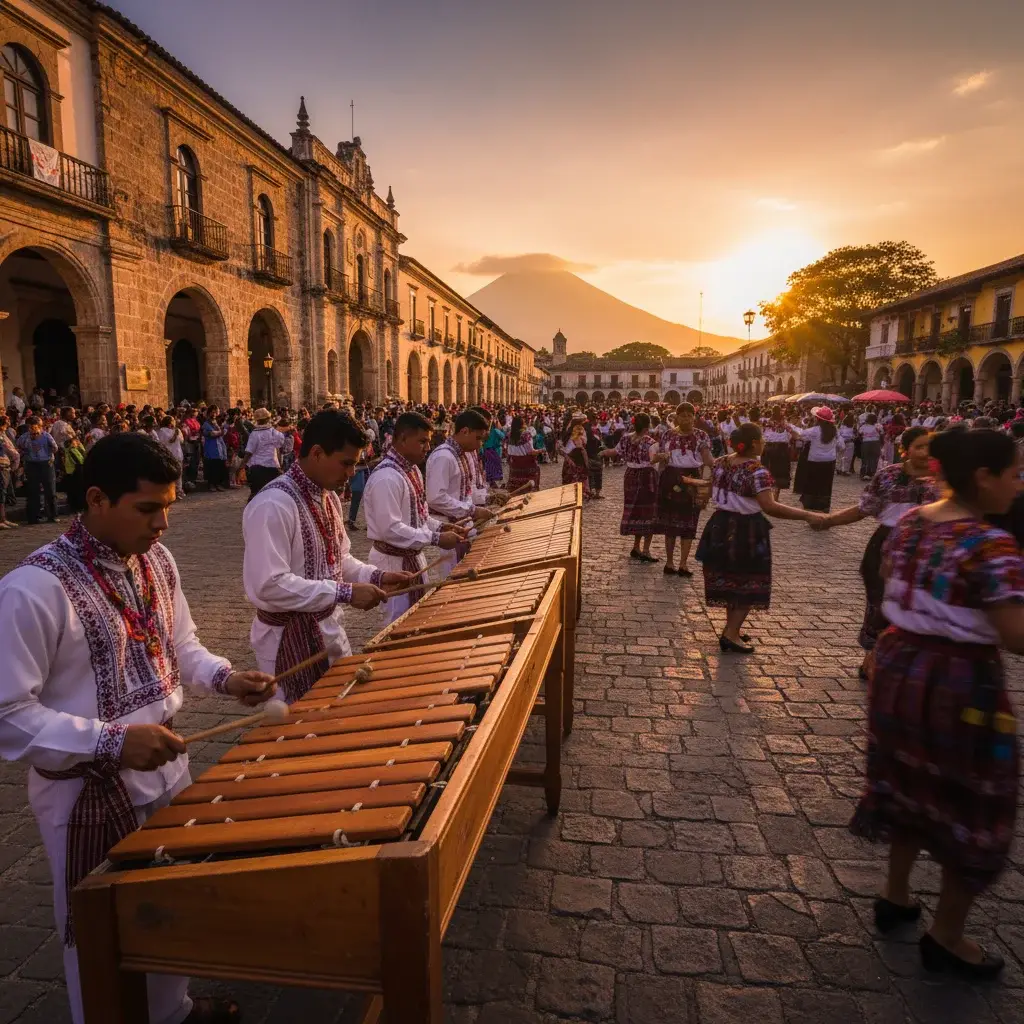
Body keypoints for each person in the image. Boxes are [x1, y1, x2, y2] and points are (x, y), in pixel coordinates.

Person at [0, 433, 274, 1024]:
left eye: (169, 507)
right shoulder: (33, 589)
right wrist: (113, 742)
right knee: (100, 932)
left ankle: (169, 1009)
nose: (164, 525)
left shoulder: (156, 561)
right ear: (97, 499)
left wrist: (225, 679)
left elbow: (181, 647)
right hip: (87, 789)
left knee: (165, 906)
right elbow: (8, 715)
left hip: (167, 765)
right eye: (148, 509)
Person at [850, 428, 1024, 979]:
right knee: (969, 795)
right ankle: (948, 933)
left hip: (899, 662)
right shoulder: (991, 545)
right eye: (1015, 474)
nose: (1019, 486)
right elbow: (1016, 635)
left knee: (906, 775)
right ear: (984, 477)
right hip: (958, 678)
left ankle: (896, 892)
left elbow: (885, 580)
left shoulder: (909, 523)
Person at [242, 410, 408, 703]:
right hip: (288, 642)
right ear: (317, 453)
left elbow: (338, 561)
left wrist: (377, 576)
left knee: (340, 716)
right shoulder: (272, 505)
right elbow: (269, 584)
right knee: (299, 732)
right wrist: (345, 592)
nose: (351, 474)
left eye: (355, 464)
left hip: (331, 631)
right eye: (346, 463)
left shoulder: (327, 497)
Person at [813, 427, 941, 678]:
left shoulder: (944, 480)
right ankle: (872, 658)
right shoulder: (888, 475)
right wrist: (829, 520)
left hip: (927, 549)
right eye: (919, 446)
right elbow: (864, 509)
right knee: (880, 602)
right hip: (887, 544)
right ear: (905, 448)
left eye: (930, 447)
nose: (925, 453)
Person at [695, 423, 822, 653]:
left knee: (731, 579)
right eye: (762, 439)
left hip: (720, 525)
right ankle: (731, 634)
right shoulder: (757, 470)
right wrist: (807, 515)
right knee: (748, 581)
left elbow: (710, 486)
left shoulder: (721, 462)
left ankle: (731, 628)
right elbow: (769, 506)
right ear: (753, 443)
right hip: (746, 529)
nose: (764, 442)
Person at [364, 412, 466, 623]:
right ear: (402, 439)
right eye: (422, 441)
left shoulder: (412, 471)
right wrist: (436, 538)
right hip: (392, 563)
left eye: (428, 441)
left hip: (413, 558)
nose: (427, 447)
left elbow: (420, 516)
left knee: (417, 619)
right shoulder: (386, 478)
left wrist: (441, 528)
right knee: (397, 623)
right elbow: (390, 529)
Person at [425, 409, 494, 578]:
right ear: (464, 431)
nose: (480, 444)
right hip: (449, 528)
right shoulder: (444, 456)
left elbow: (464, 491)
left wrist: (486, 499)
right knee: (453, 579)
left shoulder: (461, 454)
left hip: (463, 526)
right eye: (478, 438)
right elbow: (435, 498)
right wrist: (471, 510)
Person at [656, 403, 714, 576]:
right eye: (683, 415)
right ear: (677, 417)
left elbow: (707, 459)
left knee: (690, 522)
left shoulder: (701, 435)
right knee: (669, 523)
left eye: (690, 415)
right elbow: (661, 459)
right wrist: (659, 477)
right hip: (670, 478)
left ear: (694, 417)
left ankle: (683, 563)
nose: (686, 419)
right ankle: (669, 562)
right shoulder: (667, 435)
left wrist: (708, 477)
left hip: (692, 478)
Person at [609, 412, 661, 562]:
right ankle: (645, 550)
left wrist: (604, 452)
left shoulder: (626, 438)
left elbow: (615, 451)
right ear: (648, 426)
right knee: (649, 511)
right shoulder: (650, 442)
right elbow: (652, 460)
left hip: (630, 475)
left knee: (636, 510)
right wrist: (664, 456)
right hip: (647, 476)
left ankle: (636, 546)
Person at [793, 406, 842, 512]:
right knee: (826, 485)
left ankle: (811, 506)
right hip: (830, 461)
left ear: (818, 419)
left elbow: (801, 434)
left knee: (812, 484)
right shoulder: (835, 431)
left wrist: (790, 427)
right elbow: (842, 446)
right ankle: (824, 506)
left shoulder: (815, 430)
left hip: (814, 461)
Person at [17, 415, 60, 524]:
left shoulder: (46, 436)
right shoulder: (24, 438)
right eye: (31, 428)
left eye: (36, 428)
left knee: (50, 489)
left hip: (46, 463)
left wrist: (49, 454)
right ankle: (33, 516)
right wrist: (24, 454)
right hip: (31, 464)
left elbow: (55, 448)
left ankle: (52, 515)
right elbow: (18, 448)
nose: (34, 431)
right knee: (32, 491)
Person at [241, 407, 291, 499]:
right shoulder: (274, 433)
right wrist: (279, 465)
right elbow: (279, 448)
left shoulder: (254, 434)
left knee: (256, 493)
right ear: (268, 419)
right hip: (272, 467)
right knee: (271, 493)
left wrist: (242, 466)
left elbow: (249, 452)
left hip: (257, 468)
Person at [506, 415, 541, 493]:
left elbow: (507, 450)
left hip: (514, 464)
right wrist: (541, 450)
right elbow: (531, 451)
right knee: (536, 471)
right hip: (527, 464)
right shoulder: (526, 434)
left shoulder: (509, 435)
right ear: (522, 424)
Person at [561, 421, 591, 497]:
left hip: (570, 463)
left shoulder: (568, 436)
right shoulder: (579, 437)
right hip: (577, 463)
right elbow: (583, 451)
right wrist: (587, 464)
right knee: (578, 479)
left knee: (571, 480)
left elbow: (562, 451)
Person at [482, 416, 506, 485]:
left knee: (489, 465)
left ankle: (491, 481)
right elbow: (503, 436)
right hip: (493, 450)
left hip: (487, 449)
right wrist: (500, 428)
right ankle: (493, 481)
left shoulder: (486, 431)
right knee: (495, 465)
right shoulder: (495, 430)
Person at [859, 413, 882, 479]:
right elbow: (882, 434)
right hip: (876, 443)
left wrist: (863, 440)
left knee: (865, 458)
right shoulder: (878, 426)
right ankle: (871, 473)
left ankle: (863, 474)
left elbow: (860, 434)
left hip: (865, 443)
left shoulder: (863, 426)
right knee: (874, 458)